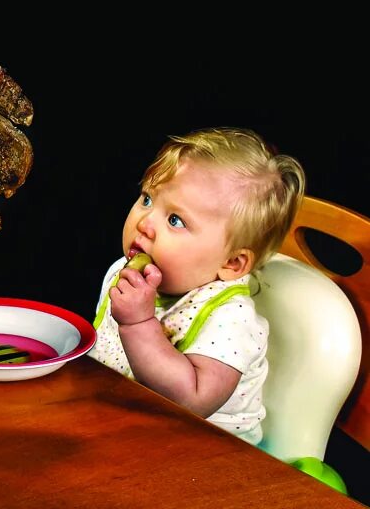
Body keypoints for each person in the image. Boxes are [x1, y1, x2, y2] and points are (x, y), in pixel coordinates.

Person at [89, 127, 305, 444]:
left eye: (175, 220)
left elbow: (193, 400)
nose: (144, 223)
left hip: (206, 452)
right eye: (147, 199)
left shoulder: (231, 319)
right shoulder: (123, 277)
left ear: (231, 263)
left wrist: (138, 323)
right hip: (128, 430)